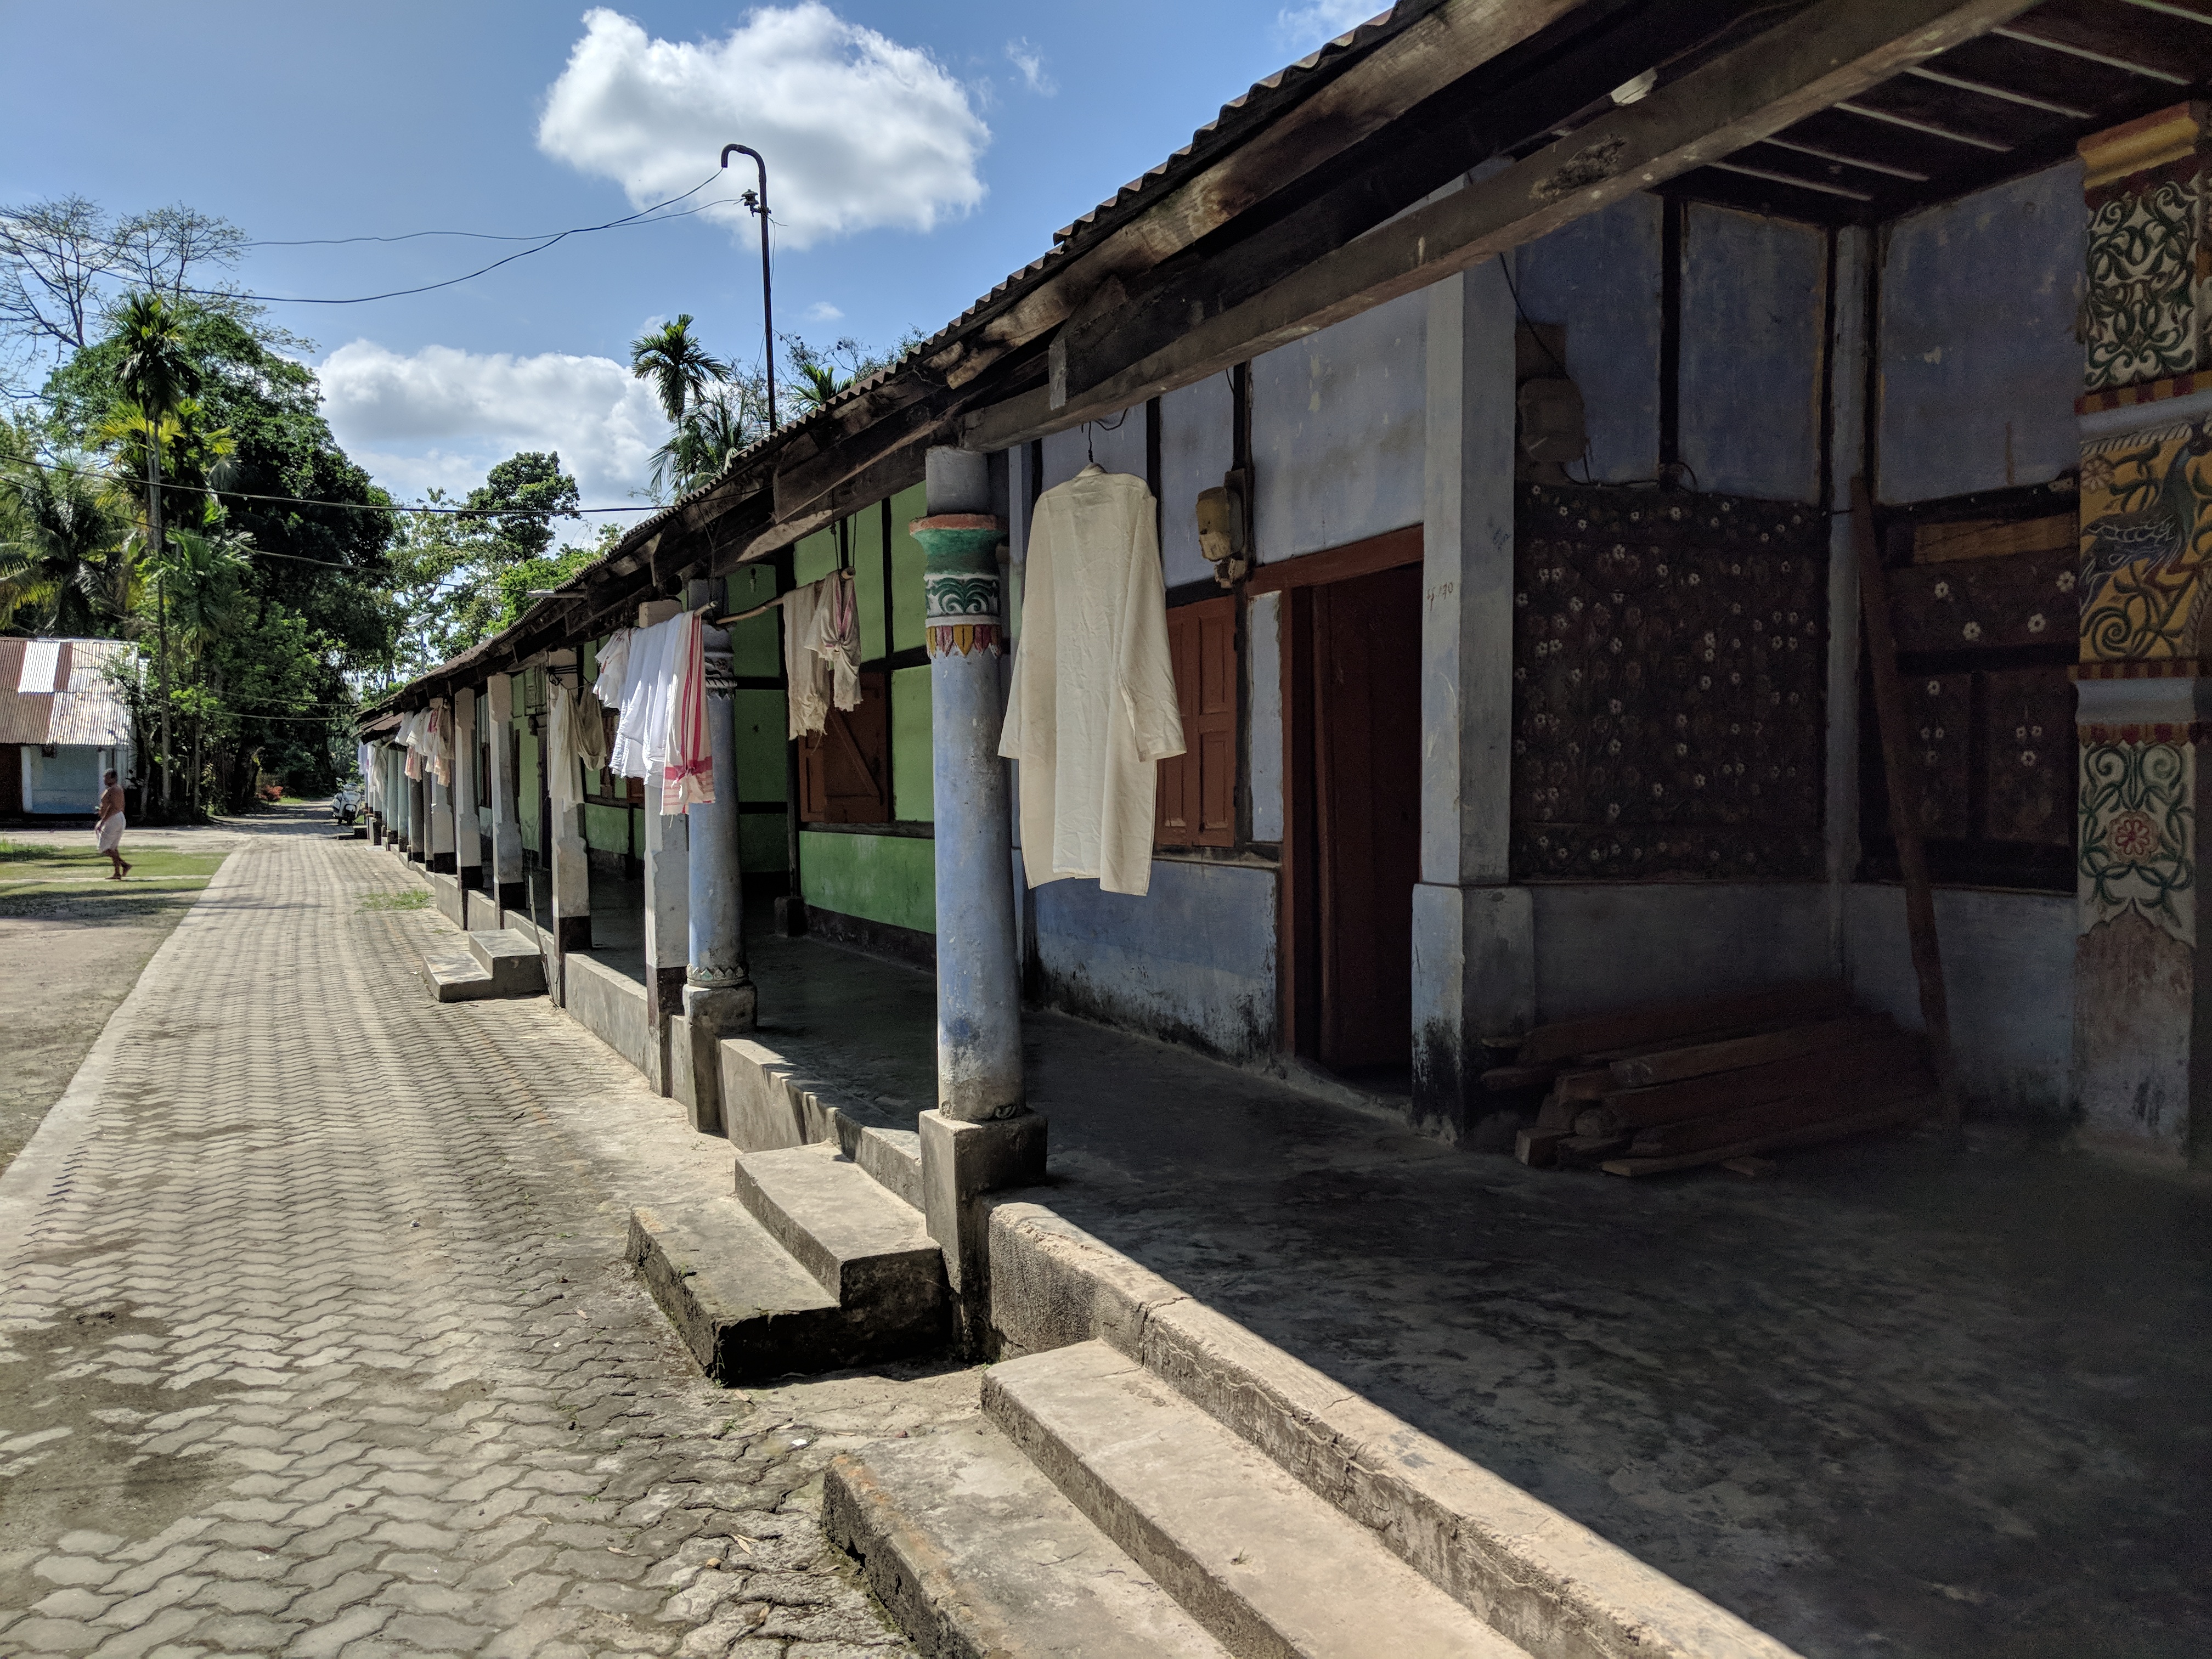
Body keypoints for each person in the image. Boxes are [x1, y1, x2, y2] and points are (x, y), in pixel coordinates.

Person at [96, 770, 129, 880]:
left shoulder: (115, 789)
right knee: (113, 847)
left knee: (103, 848)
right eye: (104, 777)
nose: (105, 780)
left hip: (113, 819)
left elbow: (113, 807)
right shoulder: (115, 789)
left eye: (107, 777)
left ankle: (124, 864)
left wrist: (103, 821)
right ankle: (117, 873)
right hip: (117, 818)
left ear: (114, 778)